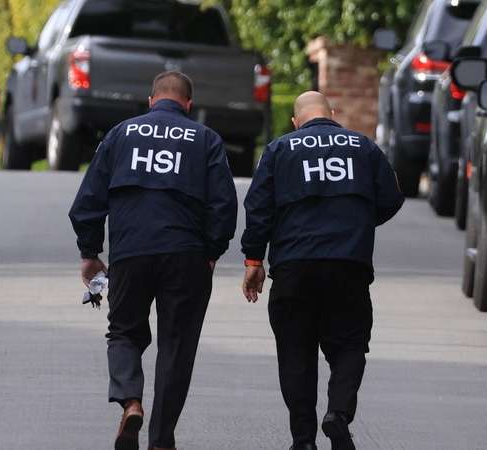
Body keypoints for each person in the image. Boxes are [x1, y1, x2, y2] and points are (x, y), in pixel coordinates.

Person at [69, 71, 237, 450]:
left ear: (151, 100)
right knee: (176, 344)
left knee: (125, 332)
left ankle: (131, 402)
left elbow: (88, 201)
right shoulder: (206, 139)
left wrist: (89, 252)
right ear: (188, 104)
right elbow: (225, 205)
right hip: (187, 254)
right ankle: (162, 441)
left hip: (131, 252)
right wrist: (211, 253)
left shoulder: (121, 134)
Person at [241, 91, 404, 450]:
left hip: (293, 268)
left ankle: (303, 441)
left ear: (296, 122)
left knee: (295, 353)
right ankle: (338, 415)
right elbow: (391, 197)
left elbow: (258, 209)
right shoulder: (363, 147)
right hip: (349, 265)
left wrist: (254, 260)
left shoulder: (280, 150)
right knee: (350, 346)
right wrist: (357, 223)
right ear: (332, 114)